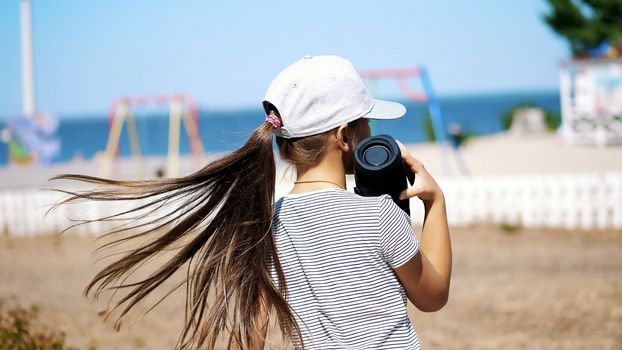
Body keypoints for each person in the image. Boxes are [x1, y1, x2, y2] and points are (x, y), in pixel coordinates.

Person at [51, 55, 451, 350]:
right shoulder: (377, 214)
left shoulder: (266, 225)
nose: (371, 134)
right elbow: (432, 296)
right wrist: (435, 202)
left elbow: (247, 338)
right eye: (367, 124)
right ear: (345, 137)